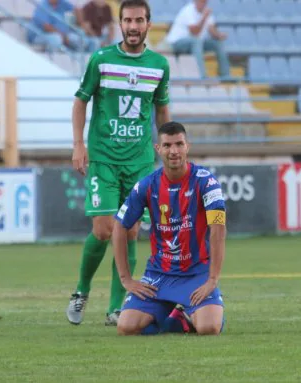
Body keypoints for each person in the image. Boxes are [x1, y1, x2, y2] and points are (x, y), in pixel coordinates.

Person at [67, 0, 172, 326]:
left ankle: (116, 307)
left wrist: (166, 148)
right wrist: (78, 144)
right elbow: (80, 101)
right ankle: (81, 290)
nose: (133, 26)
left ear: (148, 24)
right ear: (121, 23)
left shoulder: (159, 65)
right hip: (104, 159)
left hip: (140, 161)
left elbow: (162, 110)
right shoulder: (101, 60)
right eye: (128, 20)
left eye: (139, 20)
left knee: (129, 233)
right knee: (103, 229)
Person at [113, 121, 226, 336]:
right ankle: (176, 318)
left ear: (187, 146)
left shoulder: (207, 182)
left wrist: (212, 279)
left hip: (196, 273)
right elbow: (119, 226)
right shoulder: (146, 185)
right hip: (159, 275)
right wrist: (126, 279)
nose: (173, 151)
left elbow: (218, 228)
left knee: (208, 328)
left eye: (179, 144)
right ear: (158, 149)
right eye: (167, 145)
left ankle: (194, 314)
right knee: (126, 328)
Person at [165, 0, 230, 79]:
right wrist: (204, 17)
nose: (203, 3)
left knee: (217, 43)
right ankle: (201, 75)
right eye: (201, 1)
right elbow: (195, 32)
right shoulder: (188, 10)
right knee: (196, 41)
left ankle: (225, 76)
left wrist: (219, 35)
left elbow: (212, 30)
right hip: (177, 43)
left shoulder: (206, 11)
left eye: (204, 2)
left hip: (195, 43)